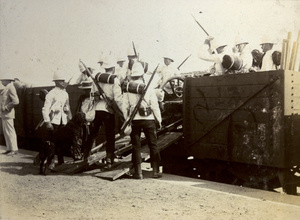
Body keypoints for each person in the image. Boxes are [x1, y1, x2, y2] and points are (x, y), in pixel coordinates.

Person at [122, 62, 162, 179]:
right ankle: (155, 171)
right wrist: (158, 120)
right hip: (149, 119)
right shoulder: (148, 88)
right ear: (141, 75)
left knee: (136, 146)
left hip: (135, 120)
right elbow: (154, 105)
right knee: (153, 144)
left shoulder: (128, 88)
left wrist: (127, 119)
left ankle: (138, 173)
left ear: (132, 75)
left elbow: (125, 106)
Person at [83, 60, 124, 167]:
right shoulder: (114, 79)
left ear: (105, 68)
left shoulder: (97, 78)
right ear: (113, 68)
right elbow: (118, 98)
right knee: (110, 135)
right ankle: (109, 159)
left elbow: (92, 93)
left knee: (93, 133)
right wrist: (122, 111)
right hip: (108, 110)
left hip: (97, 109)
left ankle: (86, 156)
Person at [42, 71, 72, 164]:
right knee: (52, 143)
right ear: (57, 82)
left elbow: (68, 106)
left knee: (62, 142)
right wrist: (47, 122)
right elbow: (45, 109)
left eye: (64, 81)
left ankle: (60, 162)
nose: (64, 82)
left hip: (63, 122)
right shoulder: (51, 94)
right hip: (54, 121)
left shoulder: (65, 94)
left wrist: (70, 118)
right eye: (62, 81)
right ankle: (50, 162)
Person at [0, 76, 19, 155]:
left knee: (10, 131)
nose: (1, 82)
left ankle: (14, 149)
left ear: (7, 80)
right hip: (4, 114)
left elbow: (16, 101)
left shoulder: (11, 87)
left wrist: (6, 108)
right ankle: (9, 148)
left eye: (2, 80)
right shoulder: (7, 87)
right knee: (6, 131)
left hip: (8, 113)